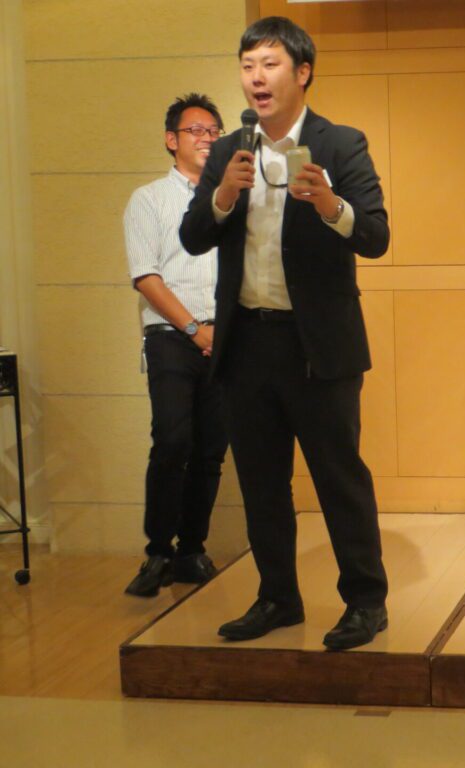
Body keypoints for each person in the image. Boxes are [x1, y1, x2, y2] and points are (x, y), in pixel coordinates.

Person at [180, 16, 389, 650]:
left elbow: (376, 236)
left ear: (302, 72)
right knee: (261, 481)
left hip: (317, 346)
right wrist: (221, 195)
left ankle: (365, 602)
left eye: (269, 65)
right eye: (247, 66)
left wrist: (329, 205)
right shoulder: (229, 150)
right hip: (247, 343)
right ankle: (278, 597)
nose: (256, 78)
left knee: (338, 477)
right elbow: (193, 236)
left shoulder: (340, 144)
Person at [123, 93, 228, 597]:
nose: (206, 139)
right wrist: (193, 329)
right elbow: (146, 277)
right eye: (195, 131)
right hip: (171, 337)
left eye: (213, 131)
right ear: (172, 140)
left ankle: (191, 549)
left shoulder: (230, 200)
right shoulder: (148, 199)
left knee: (211, 450)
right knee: (172, 442)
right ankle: (158, 552)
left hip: (225, 338)